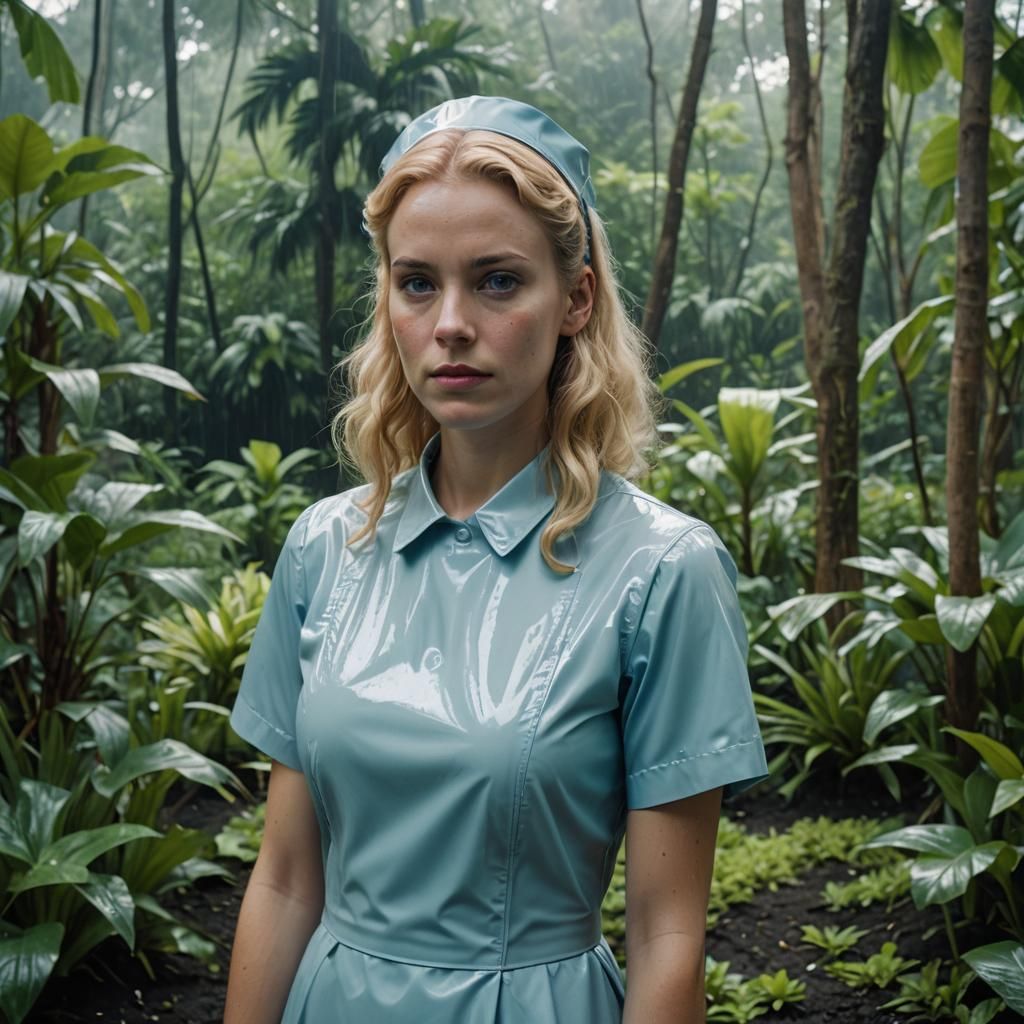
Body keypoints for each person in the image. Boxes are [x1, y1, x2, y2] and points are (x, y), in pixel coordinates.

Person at [223, 95, 768, 1024]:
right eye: (418, 283)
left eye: (499, 281)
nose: (451, 325)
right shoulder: (324, 548)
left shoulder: (662, 571)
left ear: (577, 299)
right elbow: (281, 883)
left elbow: (667, 938)